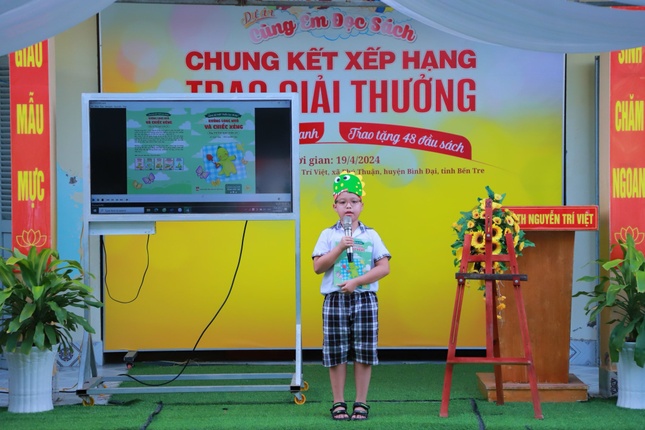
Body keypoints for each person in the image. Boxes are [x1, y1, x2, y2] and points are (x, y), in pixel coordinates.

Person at [312, 171, 391, 421]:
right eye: (343, 202)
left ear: (361, 205)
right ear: (334, 206)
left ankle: (361, 402)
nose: (349, 206)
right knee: (336, 351)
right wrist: (339, 247)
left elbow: (384, 267)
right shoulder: (328, 235)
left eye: (354, 201)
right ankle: (338, 402)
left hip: (364, 299)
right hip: (335, 300)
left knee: (364, 351)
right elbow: (318, 267)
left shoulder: (370, 235)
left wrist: (357, 281)